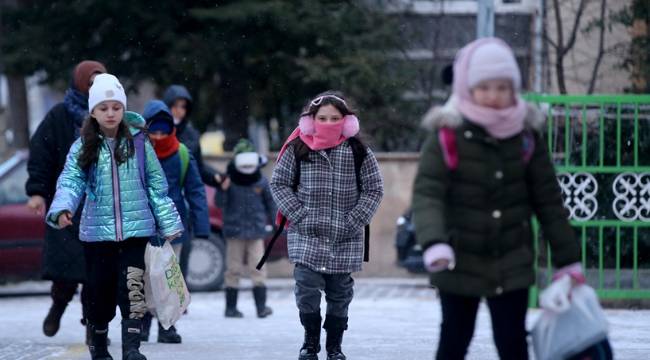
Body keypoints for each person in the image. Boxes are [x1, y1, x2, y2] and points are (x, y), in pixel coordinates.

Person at [412, 37, 584, 360]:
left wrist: (568, 258)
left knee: (512, 343)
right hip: (458, 259)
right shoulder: (447, 136)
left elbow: (548, 202)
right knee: (454, 340)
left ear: (514, 88)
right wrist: (434, 241)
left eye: (503, 87)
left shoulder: (526, 137)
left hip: (511, 261)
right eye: (485, 87)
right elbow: (428, 194)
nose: (494, 96)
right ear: (467, 87)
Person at [45, 74, 183, 360]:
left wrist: (169, 222)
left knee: (132, 289)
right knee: (99, 292)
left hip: (136, 232)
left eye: (116, 107)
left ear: (123, 109)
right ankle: (98, 347)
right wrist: (62, 208)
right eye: (104, 108)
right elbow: (71, 181)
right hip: (97, 235)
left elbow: (156, 185)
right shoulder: (84, 145)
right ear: (93, 112)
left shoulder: (140, 143)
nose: (110, 113)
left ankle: (132, 349)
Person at [270, 91, 384, 360]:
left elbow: (374, 189)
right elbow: (279, 183)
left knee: (340, 293)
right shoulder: (297, 148)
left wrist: (353, 221)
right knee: (306, 287)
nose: (329, 123)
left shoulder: (359, 152)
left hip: (345, 238)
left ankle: (335, 346)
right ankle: (310, 342)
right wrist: (299, 215)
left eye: (335, 118)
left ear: (347, 121)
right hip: (306, 235)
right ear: (311, 120)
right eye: (322, 118)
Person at [25, 60, 107, 342]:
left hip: (99, 208)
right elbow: (40, 155)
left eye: (101, 80)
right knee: (66, 273)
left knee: (96, 275)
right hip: (66, 206)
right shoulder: (59, 116)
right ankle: (58, 306)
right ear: (81, 82)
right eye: (91, 80)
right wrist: (36, 191)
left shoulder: (109, 116)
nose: (96, 86)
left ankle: (93, 328)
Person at [140, 99, 210, 344]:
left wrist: (202, 225)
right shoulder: (135, 152)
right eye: (153, 132)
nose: (158, 137)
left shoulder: (181, 154)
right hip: (140, 227)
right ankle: (141, 325)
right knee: (143, 278)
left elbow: (196, 190)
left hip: (173, 230)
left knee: (170, 279)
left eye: (163, 131)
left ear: (171, 130)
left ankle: (167, 326)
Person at [217, 138, 275, 319]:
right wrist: (223, 189)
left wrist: (275, 223)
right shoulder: (230, 180)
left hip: (256, 231)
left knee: (258, 267)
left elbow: (270, 204)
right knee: (233, 269)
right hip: (235, 232)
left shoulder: (261, 181)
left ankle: (261, 307)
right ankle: (230, 307)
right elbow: (219, 203)